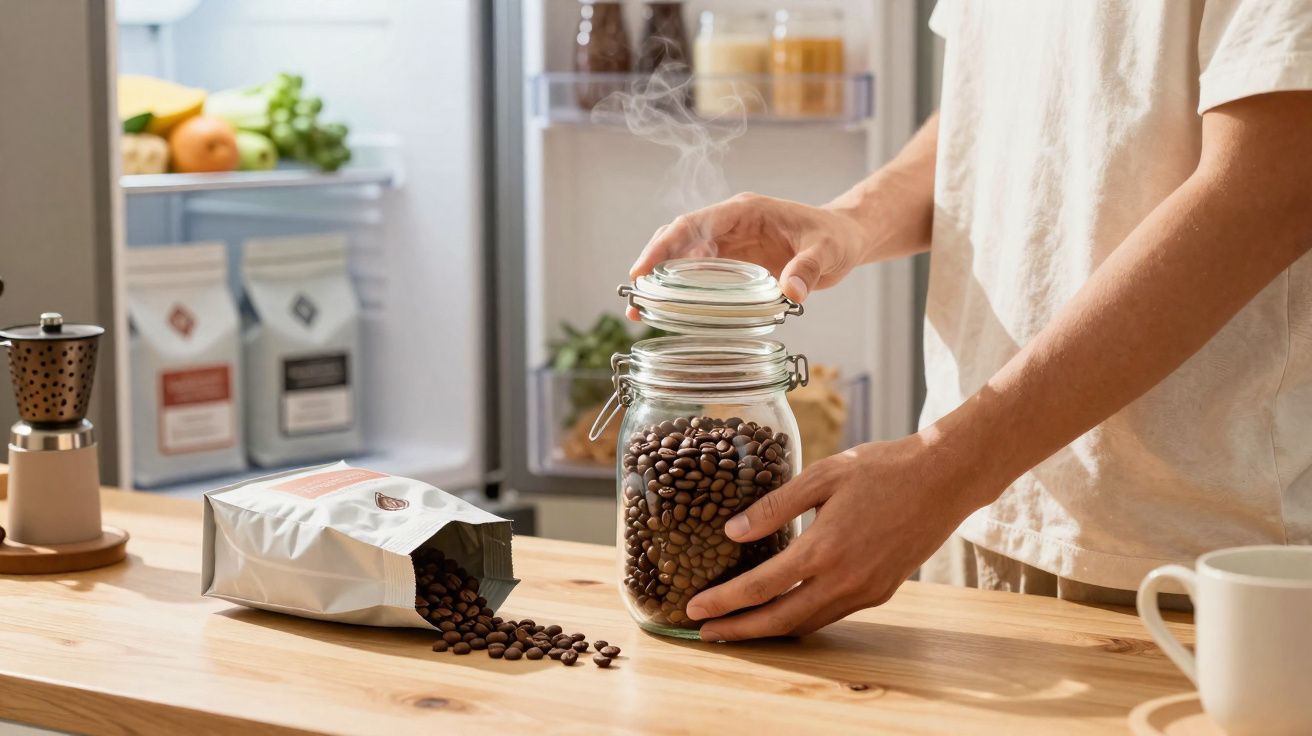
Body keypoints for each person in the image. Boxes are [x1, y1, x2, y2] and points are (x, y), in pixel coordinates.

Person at [628, 1, 1312, 641]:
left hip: (1189, 557)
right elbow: (993, 112)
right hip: (968, 523)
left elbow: (1274, 184)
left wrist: (945, 466)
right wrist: (853, 221)